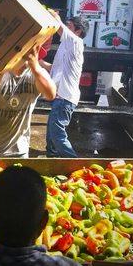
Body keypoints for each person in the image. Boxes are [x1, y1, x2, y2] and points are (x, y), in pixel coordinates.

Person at [0, 44, 56, 158]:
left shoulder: (36, 74)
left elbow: (51, 94)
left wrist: (35, 67)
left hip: (18, 150)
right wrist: (1, 70)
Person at [40, 12, 87, 158]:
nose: (66, 27)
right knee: (51, 133)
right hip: (60, 98)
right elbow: (52, 68)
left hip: (65, 97)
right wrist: (35, 61)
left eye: (69, 26)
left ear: (77, 31)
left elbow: (59, 26)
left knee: (57, 133)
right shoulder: (65, 47)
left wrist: (53, 15)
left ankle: (72, 161)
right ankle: (52, 159)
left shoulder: (76, 42)